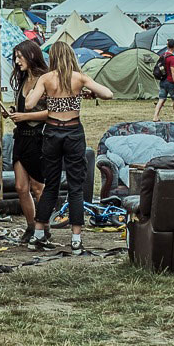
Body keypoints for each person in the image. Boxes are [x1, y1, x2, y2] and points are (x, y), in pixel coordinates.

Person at [23, 40, 114, 251]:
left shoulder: (46, 78)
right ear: (71, 56)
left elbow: (28, 104)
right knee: (75, 186)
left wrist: (44, 94)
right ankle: (75, 238)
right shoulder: (79, 78)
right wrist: (83, 93)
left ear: (53, 57)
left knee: (51, 185)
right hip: (73, 132)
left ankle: (38, 234)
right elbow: (108, 94)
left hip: (52, 132)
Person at [0, 40, 50, 248]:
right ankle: (31, 226)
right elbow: (23, 109)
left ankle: (44, 227)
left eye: (21, 57)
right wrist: (12, 113)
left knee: (38, 187)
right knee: (21, 187)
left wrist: (25, 116)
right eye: (16, 57)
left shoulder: (44, 80)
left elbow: (53, 113)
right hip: (20, 136)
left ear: (32, 56)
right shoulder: (22, 80)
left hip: (37, 137)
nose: (17, 61)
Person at [153, 39, 174, 121]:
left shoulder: (162, 55)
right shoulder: (172, 58)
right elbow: (173, 71)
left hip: (163, 80)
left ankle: (155, 116)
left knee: (161, 99)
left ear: (167, 46)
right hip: (170, 81)